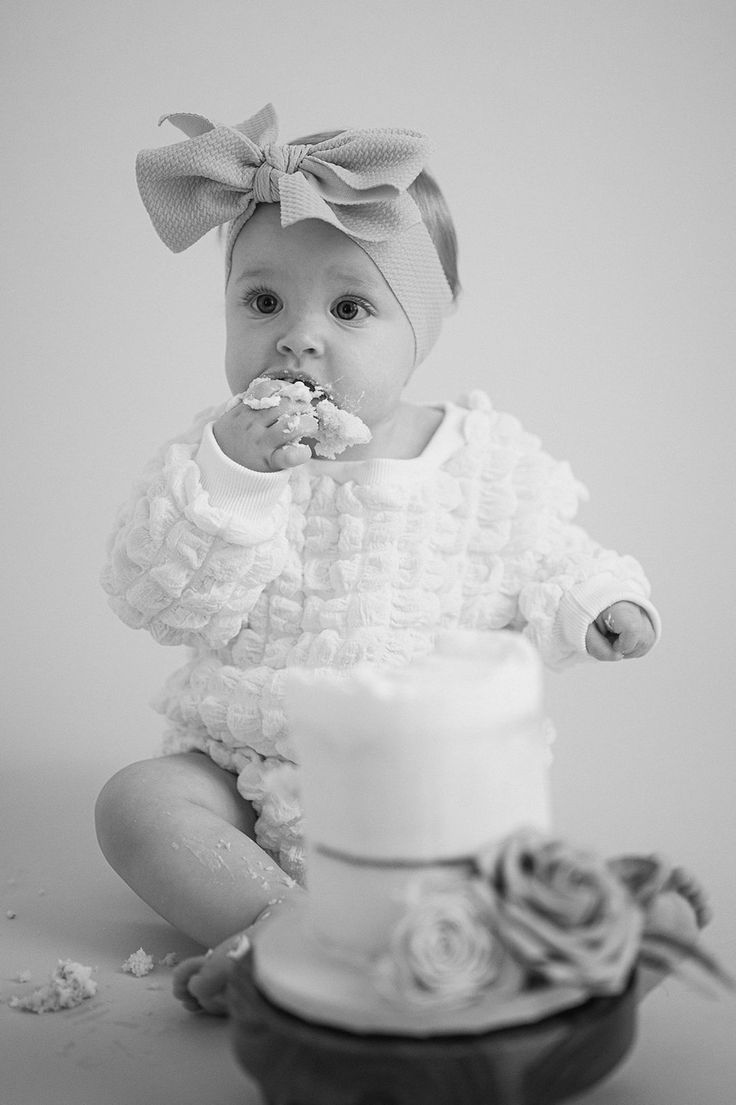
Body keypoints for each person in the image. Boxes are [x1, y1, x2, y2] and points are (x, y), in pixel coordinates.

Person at [95, 104, 706, 1016]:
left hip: (430, 784)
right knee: (139, 803)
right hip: (246, 768)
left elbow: (545, 549)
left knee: (509, 874)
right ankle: (282, 929)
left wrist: (598, 600)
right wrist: (234, 479)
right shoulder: (217, 458)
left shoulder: (482, 459)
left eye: (350, 307)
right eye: (263, 301)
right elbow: (162, 599)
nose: (298, 336)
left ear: (425, 322)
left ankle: (567, 959)